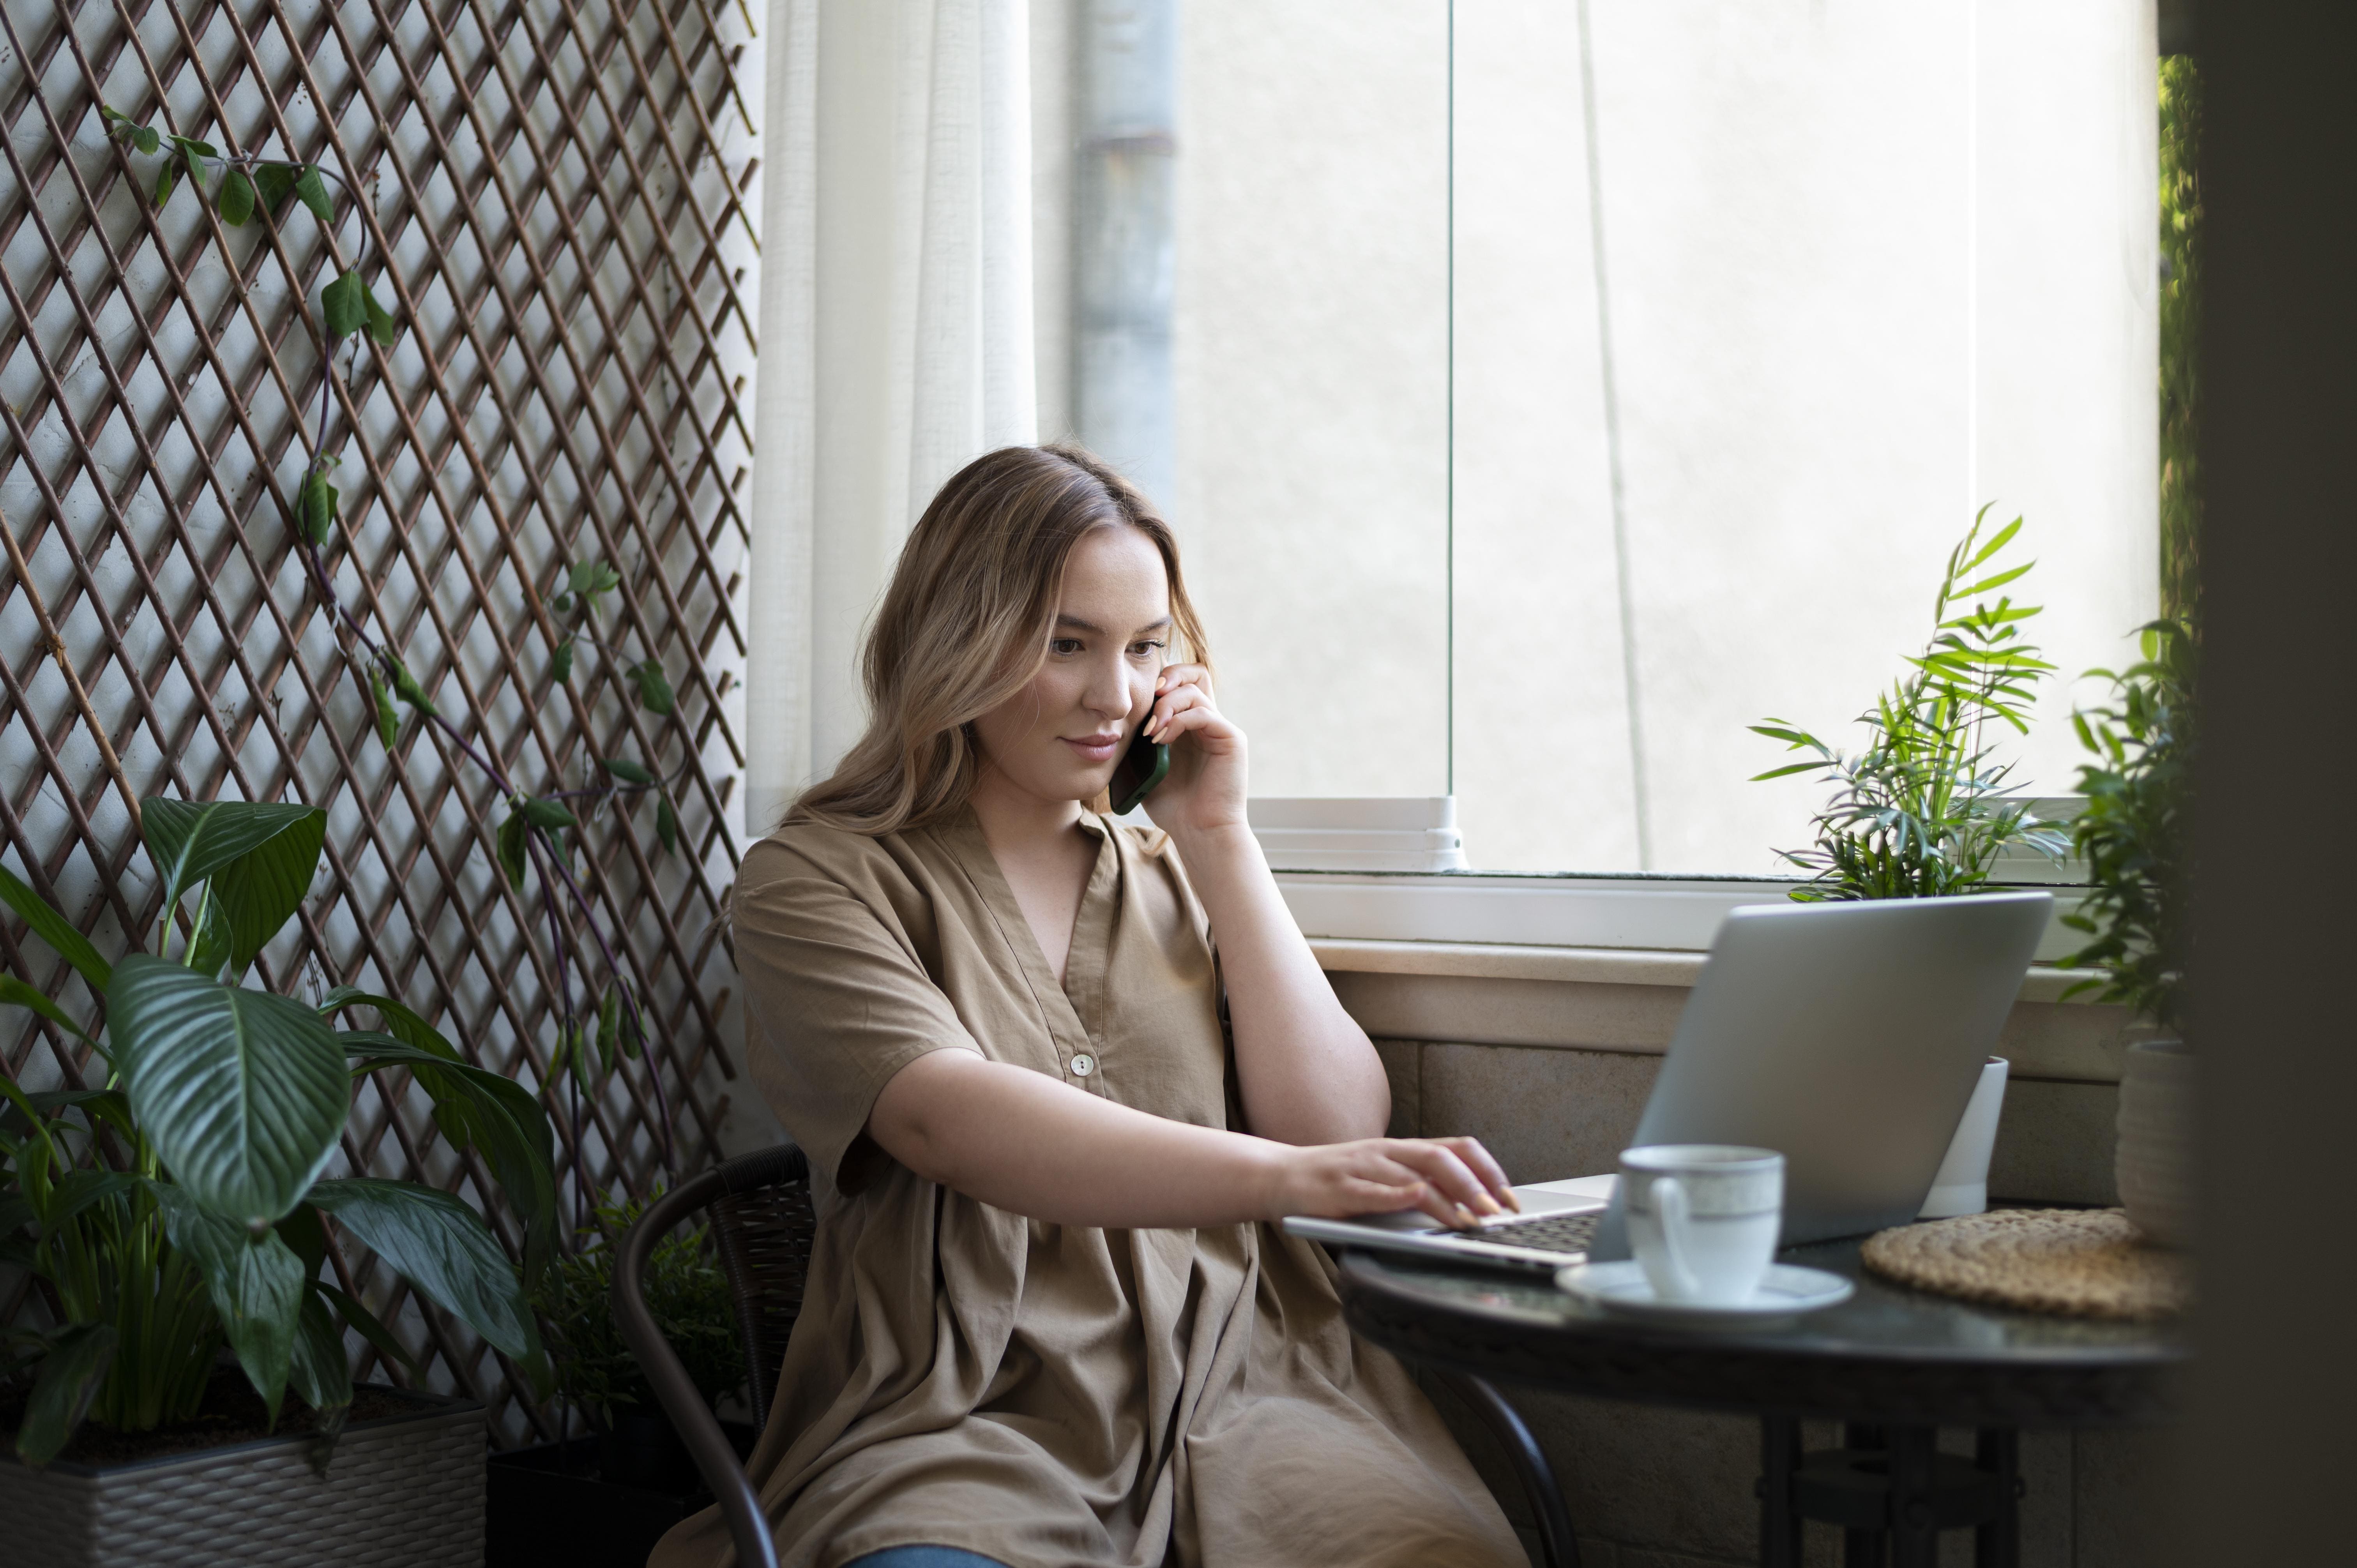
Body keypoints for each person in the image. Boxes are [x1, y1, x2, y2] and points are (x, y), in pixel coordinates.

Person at [655, 446, 1531, 1568]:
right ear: (958, 634)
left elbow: (1336, 1131)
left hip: (1257, 1382)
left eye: (1145, 648)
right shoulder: (817, 882)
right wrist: (1287, 1183)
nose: (1115, 695)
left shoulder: (1178, 869)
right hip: (972, 1409)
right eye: (1067, 643)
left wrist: (1222, 839)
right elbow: (944, 1119)